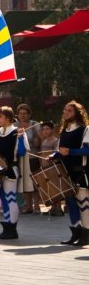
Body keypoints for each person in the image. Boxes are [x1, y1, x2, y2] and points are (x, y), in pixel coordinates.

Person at [0, 106, 29, 240]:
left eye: (0, 116)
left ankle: (12, 228)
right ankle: (7, 227)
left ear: (8, 117)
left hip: (11, 170)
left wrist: (22, 138)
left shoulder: (17, 132)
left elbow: (22, 152)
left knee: (11, 198)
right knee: (4, 199)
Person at [55, 101, 89, 246]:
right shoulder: (64, 130)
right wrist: (54, 155)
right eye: (65, 110)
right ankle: (75, 232)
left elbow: (87, 150)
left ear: (77, 113)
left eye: (69, 111)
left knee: (83, 204)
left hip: (80, 172)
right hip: (65, 172)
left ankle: (86, 235)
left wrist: (70, 151)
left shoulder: (85, 129)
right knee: (70, 204)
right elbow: (61, 150)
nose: (66, 113)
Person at [14, 103, 41, 214]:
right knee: (24, 182)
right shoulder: (14, 126)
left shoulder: (35, 124)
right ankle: (28, 206)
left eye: (25, 113)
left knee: (34, 182)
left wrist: (36, 138)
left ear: (29, 114)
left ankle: (37, 206)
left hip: (33, 157)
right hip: (20, 158)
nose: (23, 116)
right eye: (20, 113)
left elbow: (40, 140)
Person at [38, 122, 63, 216]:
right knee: (50, 188)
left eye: (47, 129)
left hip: (53, 167)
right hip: (45, 167)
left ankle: (59, 208)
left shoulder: (55, 140)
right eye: (43, 129)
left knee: (56, 187)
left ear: (52, 130)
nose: (45, 131)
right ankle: (53, 208)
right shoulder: (44, 141)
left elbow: (57, 152)